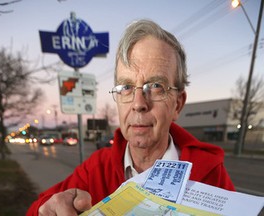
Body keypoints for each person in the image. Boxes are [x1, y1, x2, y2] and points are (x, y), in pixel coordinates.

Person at [27, 19, 235, 216]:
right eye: (126, 87)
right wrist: (48, 209)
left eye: (155, 86)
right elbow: (36, 209)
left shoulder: (210, 173)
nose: (138, 103)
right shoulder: (96, 169)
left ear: (177, 104)